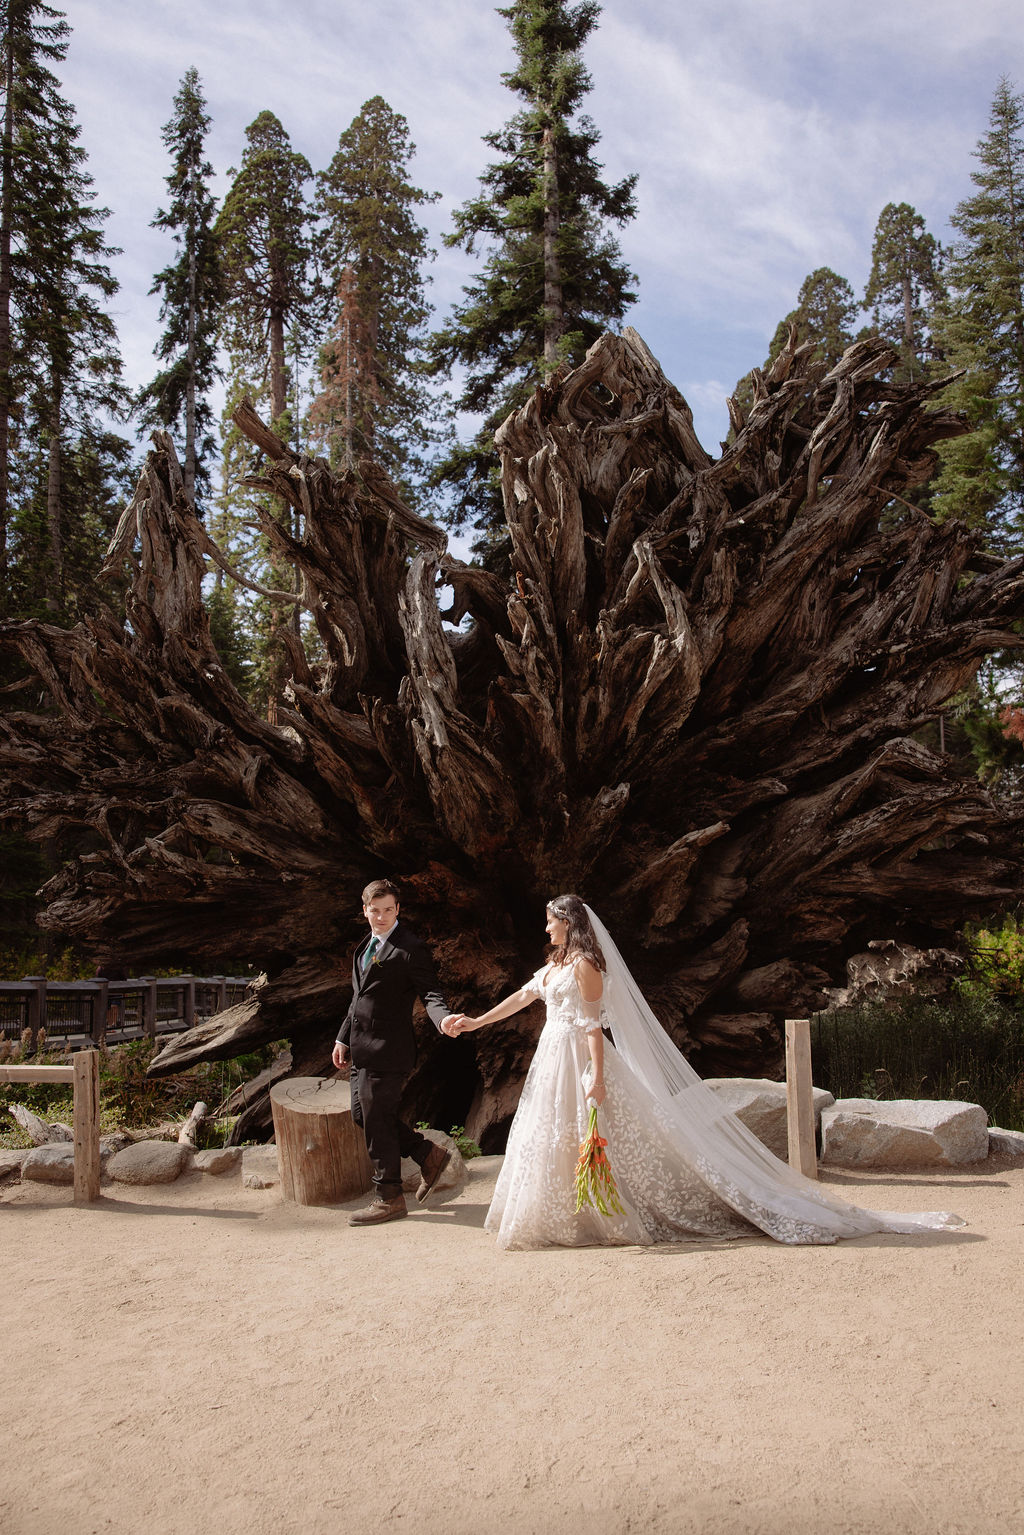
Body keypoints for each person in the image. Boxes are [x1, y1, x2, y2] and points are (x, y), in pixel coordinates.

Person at [442, 895, 964, 1250]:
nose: (546, 926)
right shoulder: (554, 963)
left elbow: (592, 1026)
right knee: (550, 1133)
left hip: (578, 1058)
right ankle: (557, 1216)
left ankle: (604, 1214)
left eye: (552, 919)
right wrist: (476, 1023)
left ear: (569, 922)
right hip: (550, 1059)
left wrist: (597, 1078)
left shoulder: (584, 966)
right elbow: (523, 996)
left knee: (599, 1135)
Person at [334, 879, 461, 1227]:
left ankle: (388, 1197)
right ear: (365, 910)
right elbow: (358, 998)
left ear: (398, 909)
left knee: (376, 1119)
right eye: (375, 910)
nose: (382, 917)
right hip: (359, 1049)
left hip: (389, 1051)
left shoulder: (410, 948)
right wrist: (342, 1038)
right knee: (364, 1116)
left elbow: (431, 992)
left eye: (389, 910)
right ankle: (427, 1154)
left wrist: (443, 1018)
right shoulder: (365, 945)